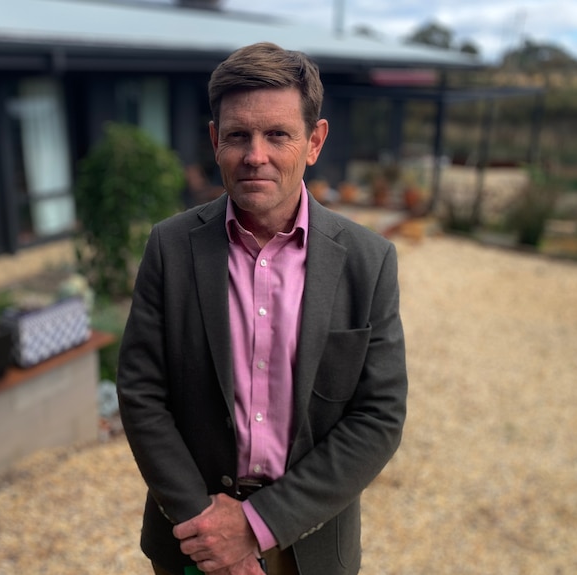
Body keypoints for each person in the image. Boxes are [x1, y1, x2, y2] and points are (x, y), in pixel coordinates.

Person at [116, 42, 408, 575]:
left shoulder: (368, 261)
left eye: (277, 134)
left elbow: (379, 416)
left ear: (314, 141)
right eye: (237, 135)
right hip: (193, 539)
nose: (256, 155)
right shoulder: (171, 247)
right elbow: (141, 393)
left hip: (310, 545)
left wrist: (256, 525)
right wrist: (208, 530)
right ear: (214, 140)